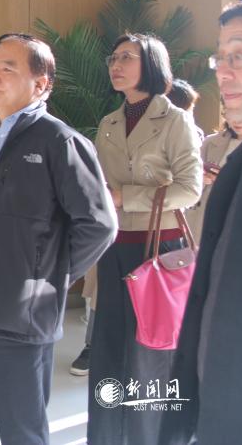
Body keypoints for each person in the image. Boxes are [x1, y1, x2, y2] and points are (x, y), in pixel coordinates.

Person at [0, 33, 116, 445]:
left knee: (21, 430)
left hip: (18, 314)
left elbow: (98, 224)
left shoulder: (59, 141)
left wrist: (45, 277)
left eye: (8, 69)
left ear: (41, 84)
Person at [86, 33, 202, 445]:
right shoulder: (109, 123)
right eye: (113, 57)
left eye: (127, 57)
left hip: (160, 251)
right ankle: (105, 437)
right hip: (114, 247)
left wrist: (126, 197)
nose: (116, 65)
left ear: (151, 64)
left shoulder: (175, 119)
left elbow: (190, 189)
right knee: (108, 350)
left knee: (150, 356)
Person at [160, 1, 242, 445]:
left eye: (241, 55)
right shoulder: (240, 159)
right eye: (221, 57)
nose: (224, 71)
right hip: (218, 396)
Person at [186, 114, 242, 244]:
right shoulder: (210, 142)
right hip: (206, 217)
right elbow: (189, 178)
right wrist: (201, 178)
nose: (237, 119)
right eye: (231, 112)